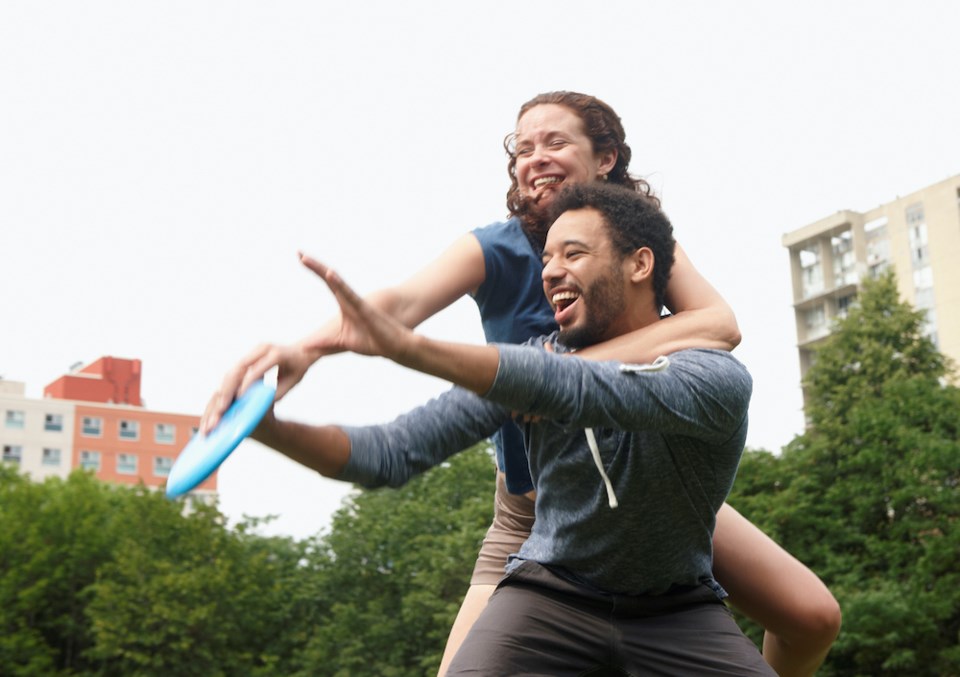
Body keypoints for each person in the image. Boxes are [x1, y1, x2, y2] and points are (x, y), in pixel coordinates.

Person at [203, 92, 840, 675]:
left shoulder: (645, 249)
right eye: (522, 148)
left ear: (607, 159)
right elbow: (393, 346)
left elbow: (718, 325)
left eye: (555, 143)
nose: (535, 159)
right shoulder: (497, 250)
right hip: (536, 515)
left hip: (655, 500)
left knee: (811, 616)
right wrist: (299, 364)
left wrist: (557, 376)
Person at [249, 182, 776, 674]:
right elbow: (388, 453)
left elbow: (591, 391)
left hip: (679, 609)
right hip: (549, 595)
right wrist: (265, 426)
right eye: (546, 258)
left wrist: (410, 348)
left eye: (573, 254)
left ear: (639, 264)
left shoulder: (714, 376)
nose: (549, 272)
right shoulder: (533, 364)